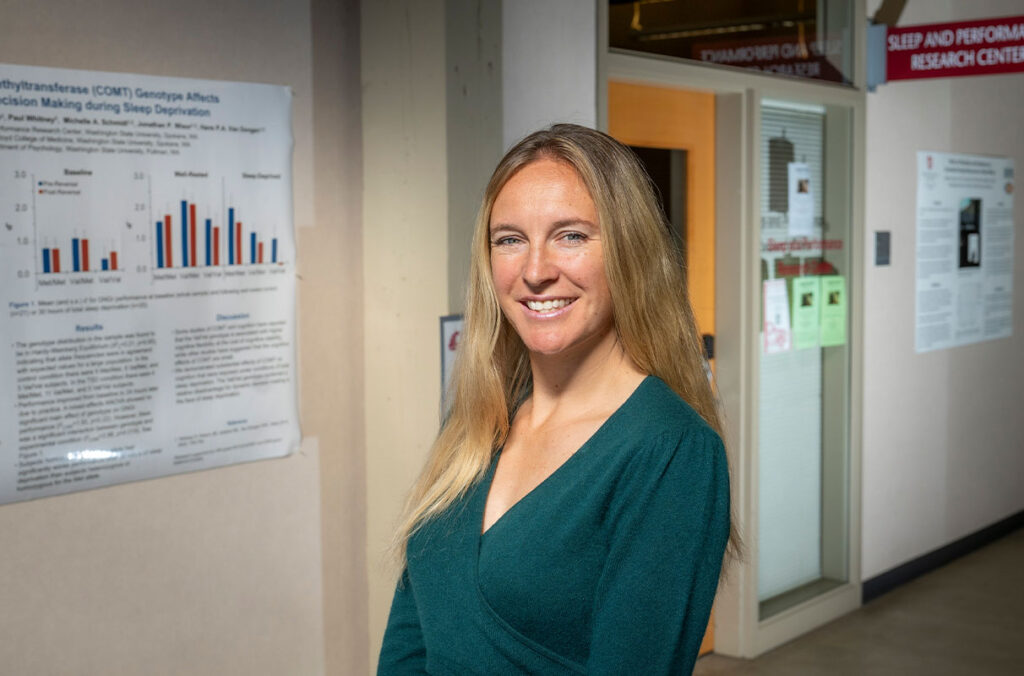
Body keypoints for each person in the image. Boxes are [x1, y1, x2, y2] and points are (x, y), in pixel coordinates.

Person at [379, 123, 736, 675]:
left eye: (571, 236)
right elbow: (413, 631)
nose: (536, 271)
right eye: (510, 239)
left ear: (629, 253)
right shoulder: (481, 418)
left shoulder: (670, 451)